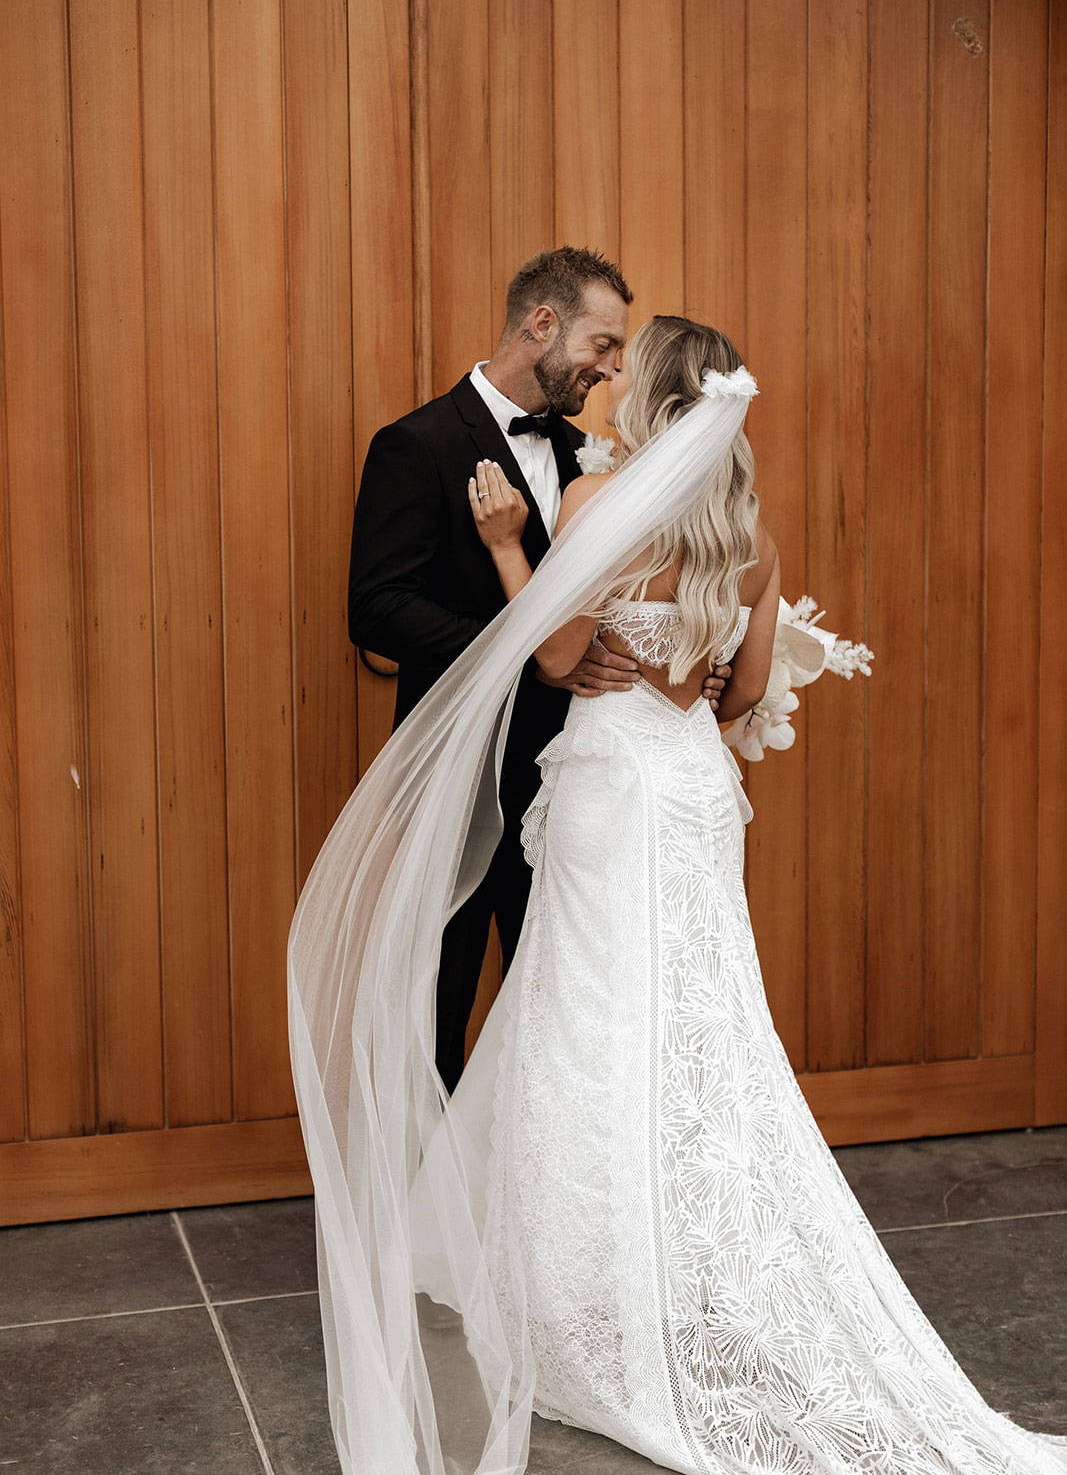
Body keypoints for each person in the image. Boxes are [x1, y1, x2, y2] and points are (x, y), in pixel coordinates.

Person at [288, 316, 1067, 1474]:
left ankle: (598, 1275)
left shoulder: (599, 512)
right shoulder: (749, 532)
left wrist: (508, 546)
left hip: (610, 786)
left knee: (592, 1015)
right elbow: (742, 692)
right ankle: (689, 1245)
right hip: (694, 788)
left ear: (646, 400)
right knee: (697, 1017)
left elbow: (552, 662)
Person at [346, 247, 730, 1093]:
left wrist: (683, 667)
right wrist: (528, 650)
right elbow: (376, 610)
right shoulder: (415, 444)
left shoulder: (595, 459)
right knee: (440, 987)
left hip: (577, 773)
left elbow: (644, 591)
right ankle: (423, 1205)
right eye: (600, 345)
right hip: (462, 766)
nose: (612, 368)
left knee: (557, 992)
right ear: (541, 324)